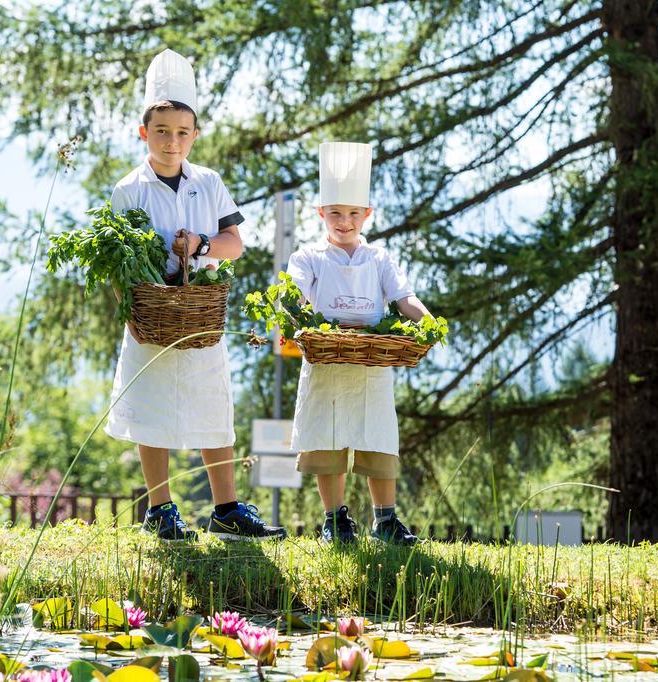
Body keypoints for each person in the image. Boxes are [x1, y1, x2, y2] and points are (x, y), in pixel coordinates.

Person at [105, 48, 286, 542]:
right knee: (151, 407)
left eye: (182, 132)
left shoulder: (208, 183)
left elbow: (235, 245)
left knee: (212, 405)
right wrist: (133, 310)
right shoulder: (130, 190)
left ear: (195, 136)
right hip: (151, 315)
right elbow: (117, 258)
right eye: (162, 131)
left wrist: (201, 244)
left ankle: (226, 509)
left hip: (199, 313)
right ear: (144, 133)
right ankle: (160, 510)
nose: (172, 141)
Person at [287, 141, 433, 546]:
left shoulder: (379, 258)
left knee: (377, 437)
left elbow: (404, 298)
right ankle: (335, 520)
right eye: (335, 213)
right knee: (327, 438)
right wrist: (292, 314)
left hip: (372, 360)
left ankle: (385, 521)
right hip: (327, 358)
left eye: (353, 213)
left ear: (367, 214)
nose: (344, 222)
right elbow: (295, 293)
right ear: (321, 214)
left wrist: (428, 323)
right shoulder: (309, 257)